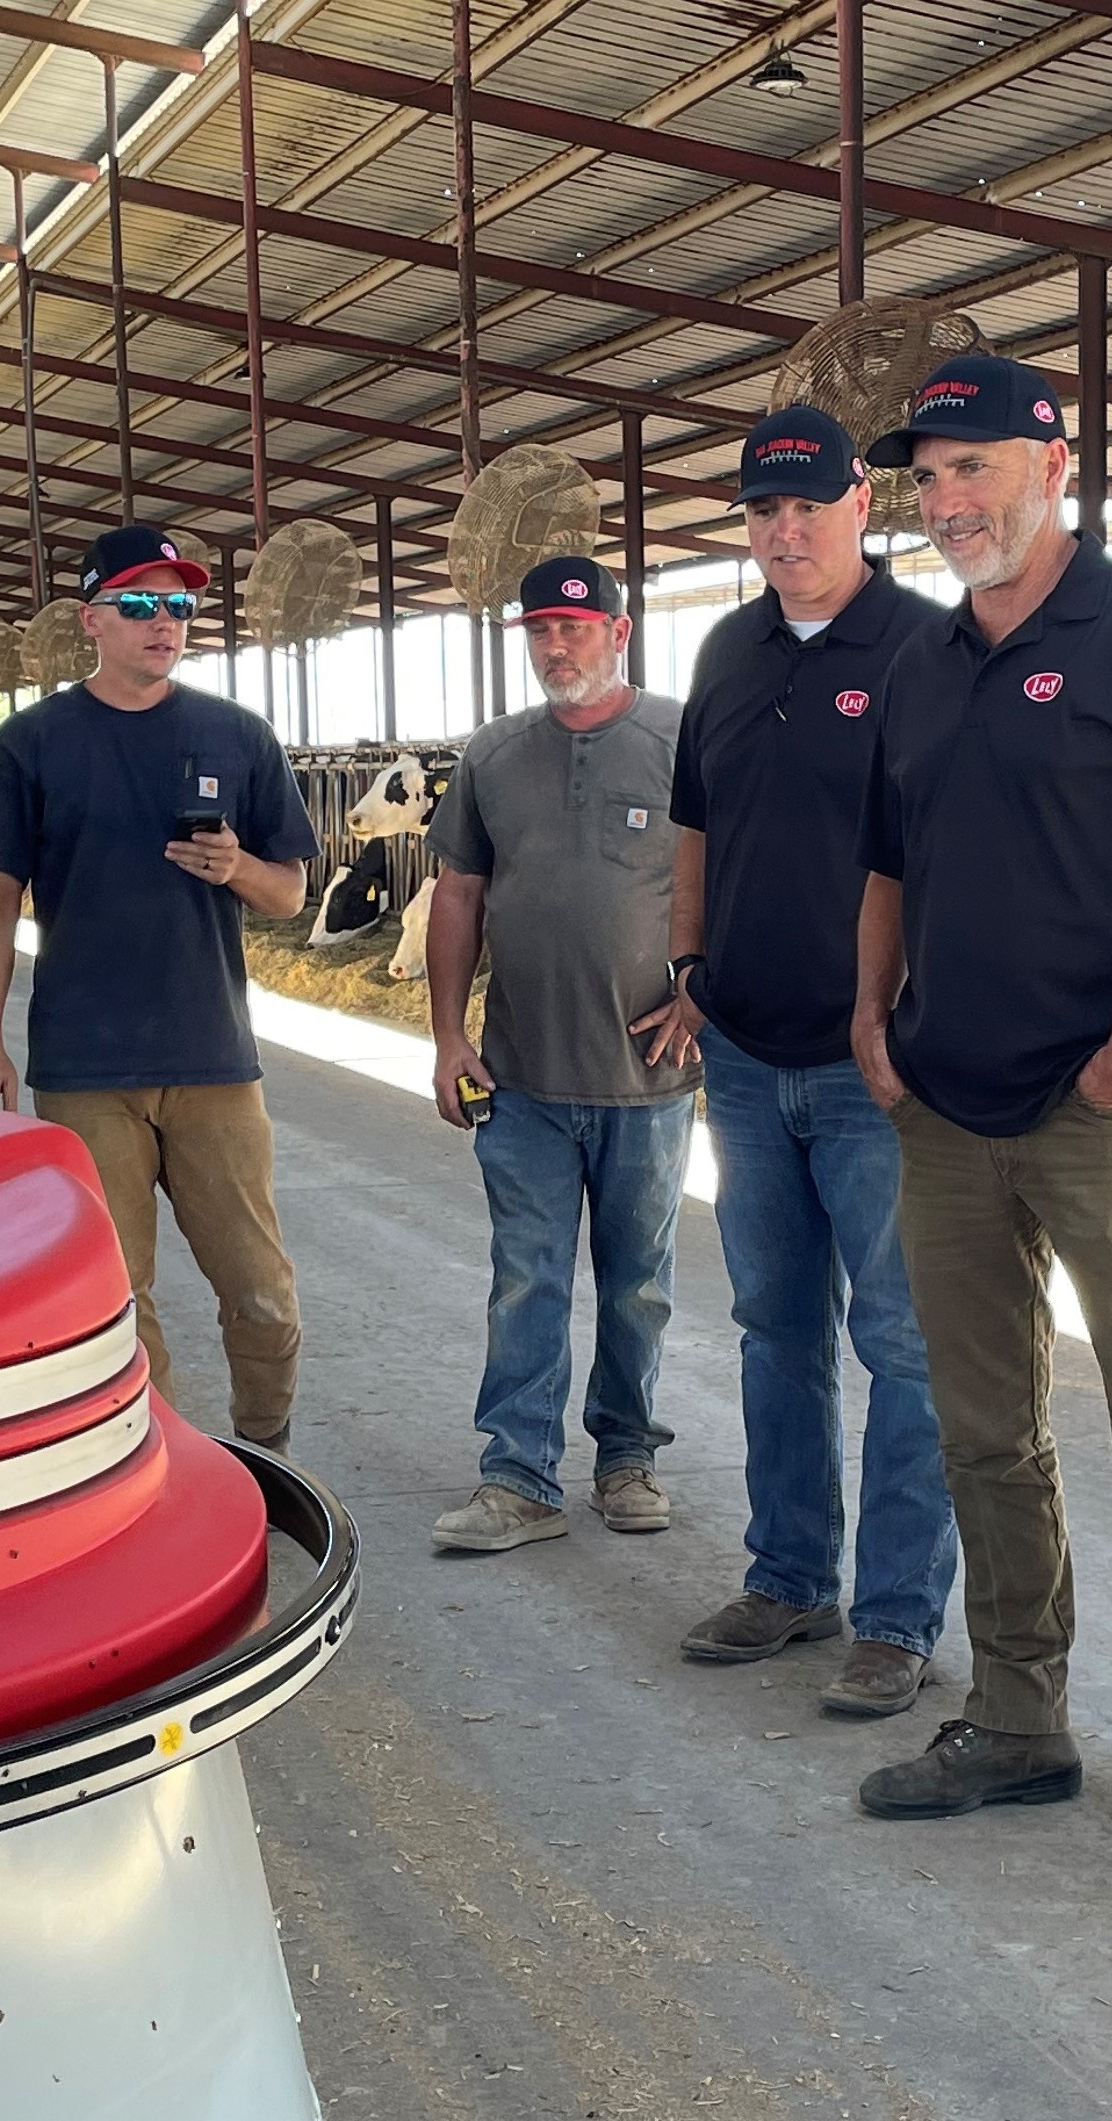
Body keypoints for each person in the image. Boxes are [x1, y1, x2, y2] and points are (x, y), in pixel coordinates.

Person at [843, 354, 1112, 1903]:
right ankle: (1016, 1718)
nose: (944, 502)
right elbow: (887, 858)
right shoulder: (920, 664)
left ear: (1053, 465)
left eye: (970, 470)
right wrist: (865, 1015)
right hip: (946, 1115)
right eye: (926, 479)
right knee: (982, 1433)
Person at [642, 406, 958, 1722]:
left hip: (868, 1071)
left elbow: (956, 844)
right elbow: (694, 825)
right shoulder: (726, 647)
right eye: (760, 513)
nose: (782, 534)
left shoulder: (926, 652)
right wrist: (686, 972)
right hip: (745, 1057)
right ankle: (786, 1579)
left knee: (900, 1340)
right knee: (773, 1327)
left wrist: (913, 1018)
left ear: (861, 509)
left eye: (806, 507)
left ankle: (891, 1620)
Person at [0, 523, 319, 1449]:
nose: (165, 623)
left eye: (180, 606)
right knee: (117, 1298)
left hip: (212, 1060)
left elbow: (289, 894)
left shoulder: (236, 735)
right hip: (84, 1067)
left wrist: (236, 866)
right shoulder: (31, 742)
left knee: (262, 1293)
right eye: (140, 605)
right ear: (92, 620)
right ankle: (160, 1467)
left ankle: (264, 1449)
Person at [421, 557, 692, 1553]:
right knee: (526, 1277)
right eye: (537, 629)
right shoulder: (492, 754)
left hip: (647, 1079)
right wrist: (448, 1034)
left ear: (617, 634)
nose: (554, 645)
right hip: (520, 1074)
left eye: (574, 628)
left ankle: (625, 1461)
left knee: (637, 1282)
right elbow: (456, 893)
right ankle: (519, 1478)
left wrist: (702, 995)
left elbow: (732, 872)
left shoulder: (677, 739)